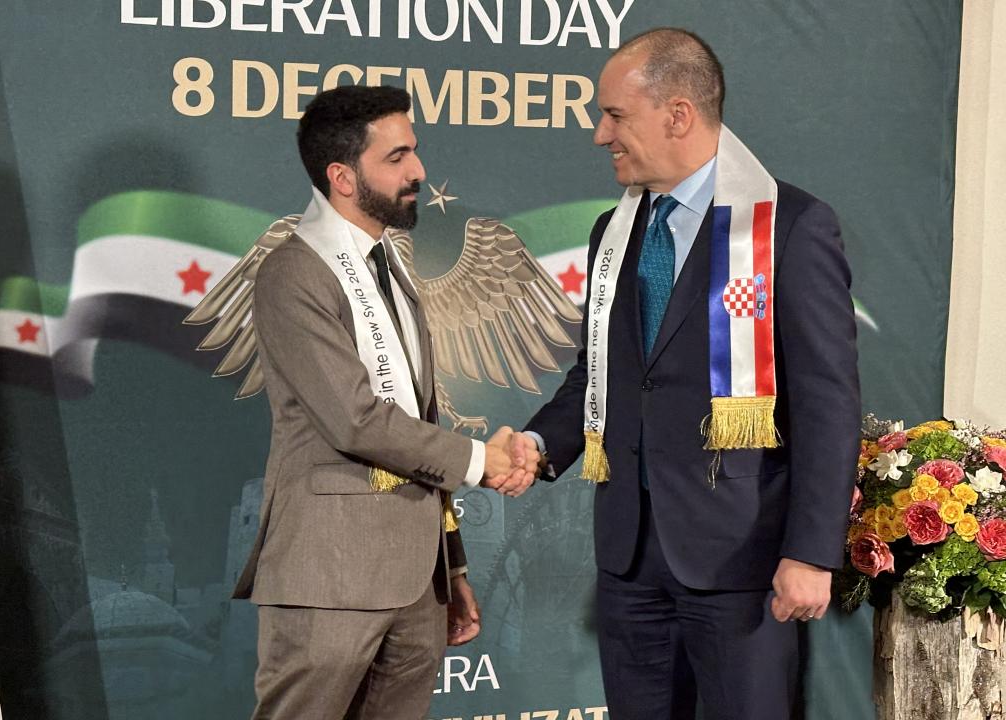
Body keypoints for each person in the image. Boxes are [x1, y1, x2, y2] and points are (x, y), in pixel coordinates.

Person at [520, 28, 860, 719]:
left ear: (678, 115)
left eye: (615, 115)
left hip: (742, 561)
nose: (600, 135)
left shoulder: (787, 227)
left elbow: (827, 401)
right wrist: (537, 444)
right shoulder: (613, 232)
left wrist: (811, 553)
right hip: (630, 559)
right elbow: (600, 375)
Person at [233, 85, 539, 720]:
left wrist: (451, 569)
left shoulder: (391, 271)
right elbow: (355, 420)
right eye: (397, 157)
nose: (418, 171)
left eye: (414, 152)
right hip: (330, 578)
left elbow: (417, 420)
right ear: (343, 177)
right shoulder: (294, 273)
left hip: (418, 583)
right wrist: (482, 460)